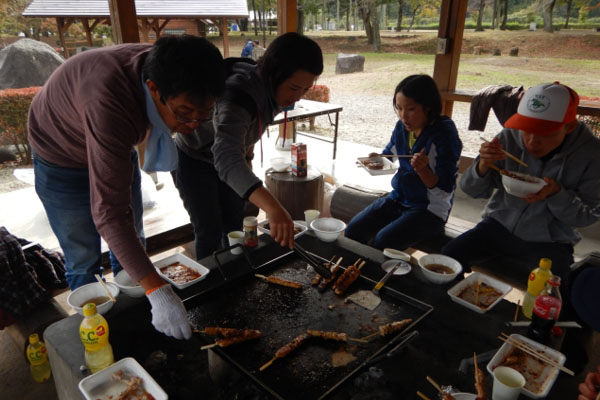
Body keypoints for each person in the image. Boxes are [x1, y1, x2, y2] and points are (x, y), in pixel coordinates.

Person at [28, 35, 226, 340]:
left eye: (203, 115)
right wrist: (159, 291)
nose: (192, 126)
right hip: (60, 156)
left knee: (132, 240)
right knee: (83, 258)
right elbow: (110, 214)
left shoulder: (169, 66)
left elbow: (121, 222)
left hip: (110, 141)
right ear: (153, 89)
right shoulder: (110, 102)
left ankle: (140, 325)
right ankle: (98, 338)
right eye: (184, 114)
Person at [173, 32, 323, 259]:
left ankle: (233, 272)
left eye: (305, 89)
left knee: (234, 223)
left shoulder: (272, 89)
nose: (298, 97)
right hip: (194, 156)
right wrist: (273, 207)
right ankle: (212, 280)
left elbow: (247, 131)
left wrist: (248, 159)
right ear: (273, 73)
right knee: (208, 230)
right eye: (294, 88)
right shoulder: (237, 96)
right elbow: (226, 156)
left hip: (232, 157)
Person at [442, 82, 600, 282]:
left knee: (554, 289)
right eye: (527, 129)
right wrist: (483, 165)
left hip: (550, 241)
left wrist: (556, 194)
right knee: (447, 259)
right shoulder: (509, 136)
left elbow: (587, 216)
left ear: (569, 127)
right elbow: (471, 190)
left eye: (545, 133)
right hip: (497, 226)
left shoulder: (592, 155)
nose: (532, 141)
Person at [344, 74, 462, 250]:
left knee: (383, 242)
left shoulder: (444, 135)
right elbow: (389, 155)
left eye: (411, 109)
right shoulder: (403, 127)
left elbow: (445, 188)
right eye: (399, 108)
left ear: (428, 107)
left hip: (429, 209)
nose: (403, 116)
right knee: (353, 230)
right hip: (400, 197)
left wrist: (423, 171)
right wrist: (377, 159)